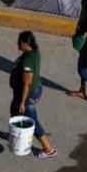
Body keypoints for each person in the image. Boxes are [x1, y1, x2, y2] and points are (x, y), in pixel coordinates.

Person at [10, 31, 56, 159]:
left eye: (19, 42)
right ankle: (17, 132)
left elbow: (27, 83)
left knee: (32, 121)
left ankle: (48, 149)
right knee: (14, 110)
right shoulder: (34, 52)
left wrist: (23, 102)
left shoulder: (27, 62)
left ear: (26, 43)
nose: (17, 44)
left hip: (27, 94)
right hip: (30, 90)